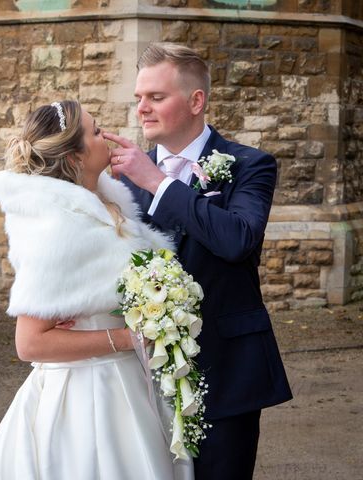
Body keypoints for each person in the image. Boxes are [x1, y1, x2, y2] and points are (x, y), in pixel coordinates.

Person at [0, 100, 193, 479]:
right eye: (95, 131)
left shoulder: (109, 206)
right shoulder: (58, 230)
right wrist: (127, 338)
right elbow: (30, 343)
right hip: (84, 398)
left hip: (130, 386)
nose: (105, 135)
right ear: (75, 157)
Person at [105, 43, 293, 480]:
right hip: (142, 380)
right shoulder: (123, 184)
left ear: (196, 101)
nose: (142, 109)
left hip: (226, 370)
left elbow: (237, 241)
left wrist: (158, 182)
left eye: (156, 97)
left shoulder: (250, 165)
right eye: (139, 98)